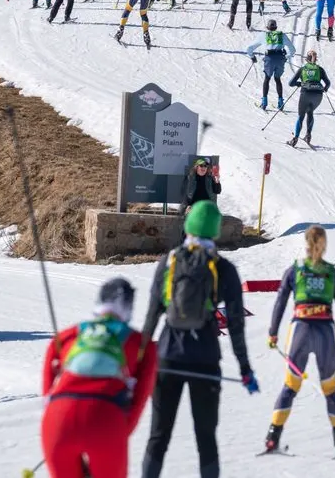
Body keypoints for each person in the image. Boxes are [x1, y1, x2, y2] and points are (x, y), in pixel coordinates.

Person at [140, 201, 258, 478]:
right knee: (206, 438)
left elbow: (152, 315)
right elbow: (236, 325)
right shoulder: (223, 268)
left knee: (158, 436)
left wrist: (139, 358)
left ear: (188, 226)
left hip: (168, 357)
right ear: (215, 231)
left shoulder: (169, 262)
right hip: (205, 357)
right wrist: (245, 369)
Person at [42, 279, 157, 478]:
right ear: (129, 307)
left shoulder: (67, 336)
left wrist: (56, 424)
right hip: (106, 418)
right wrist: (119, 433)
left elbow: (47, 394)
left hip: (57, 419)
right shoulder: (142, 345)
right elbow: (139, 400)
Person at [264, 227, 335, 456]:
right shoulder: (333, 273)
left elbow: (280, 303)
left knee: (291, 385)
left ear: (305, 243)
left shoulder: (294, 270)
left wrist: (273, 332)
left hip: (300, 329)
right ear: (324, 245)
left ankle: (273, 437)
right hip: (326, 331)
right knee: (330, 388)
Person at [247, 20, 296, 111]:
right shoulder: (282, 35)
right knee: (277, 79)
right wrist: (286, 57)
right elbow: (292, 49)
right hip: (280, 58)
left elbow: (249, 48)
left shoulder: (263, 35)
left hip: (269, 58)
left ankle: (264, 102)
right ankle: (280, 102)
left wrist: (252, 56)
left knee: (267, 78)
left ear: (267, 27)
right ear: (276, 27)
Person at [287, 50, 330, 147]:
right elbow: (328, 83)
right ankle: (308, 135)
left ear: (307, 59)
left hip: (305, 93)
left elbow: (291, 83)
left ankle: (295, 138)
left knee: (301, 116)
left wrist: (300, 84)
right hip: (318, 95)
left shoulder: (303, 69)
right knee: (310, 112)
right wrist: (325, 89)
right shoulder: (320, 69)